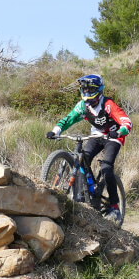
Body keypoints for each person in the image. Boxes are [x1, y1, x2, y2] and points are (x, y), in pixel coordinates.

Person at [46, 74, 131, 222]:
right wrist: (55, 131)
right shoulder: (82, 106)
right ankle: (84, 195)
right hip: (96, 135)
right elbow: (69, 119)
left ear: (99, 90)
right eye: (84, 90)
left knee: (106, 168)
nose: (87, 93)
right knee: (82, 160)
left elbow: (126, 121)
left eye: (90, 90)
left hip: (113, 136)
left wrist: (119, 131)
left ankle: (114, 207)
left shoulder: (108, 104)